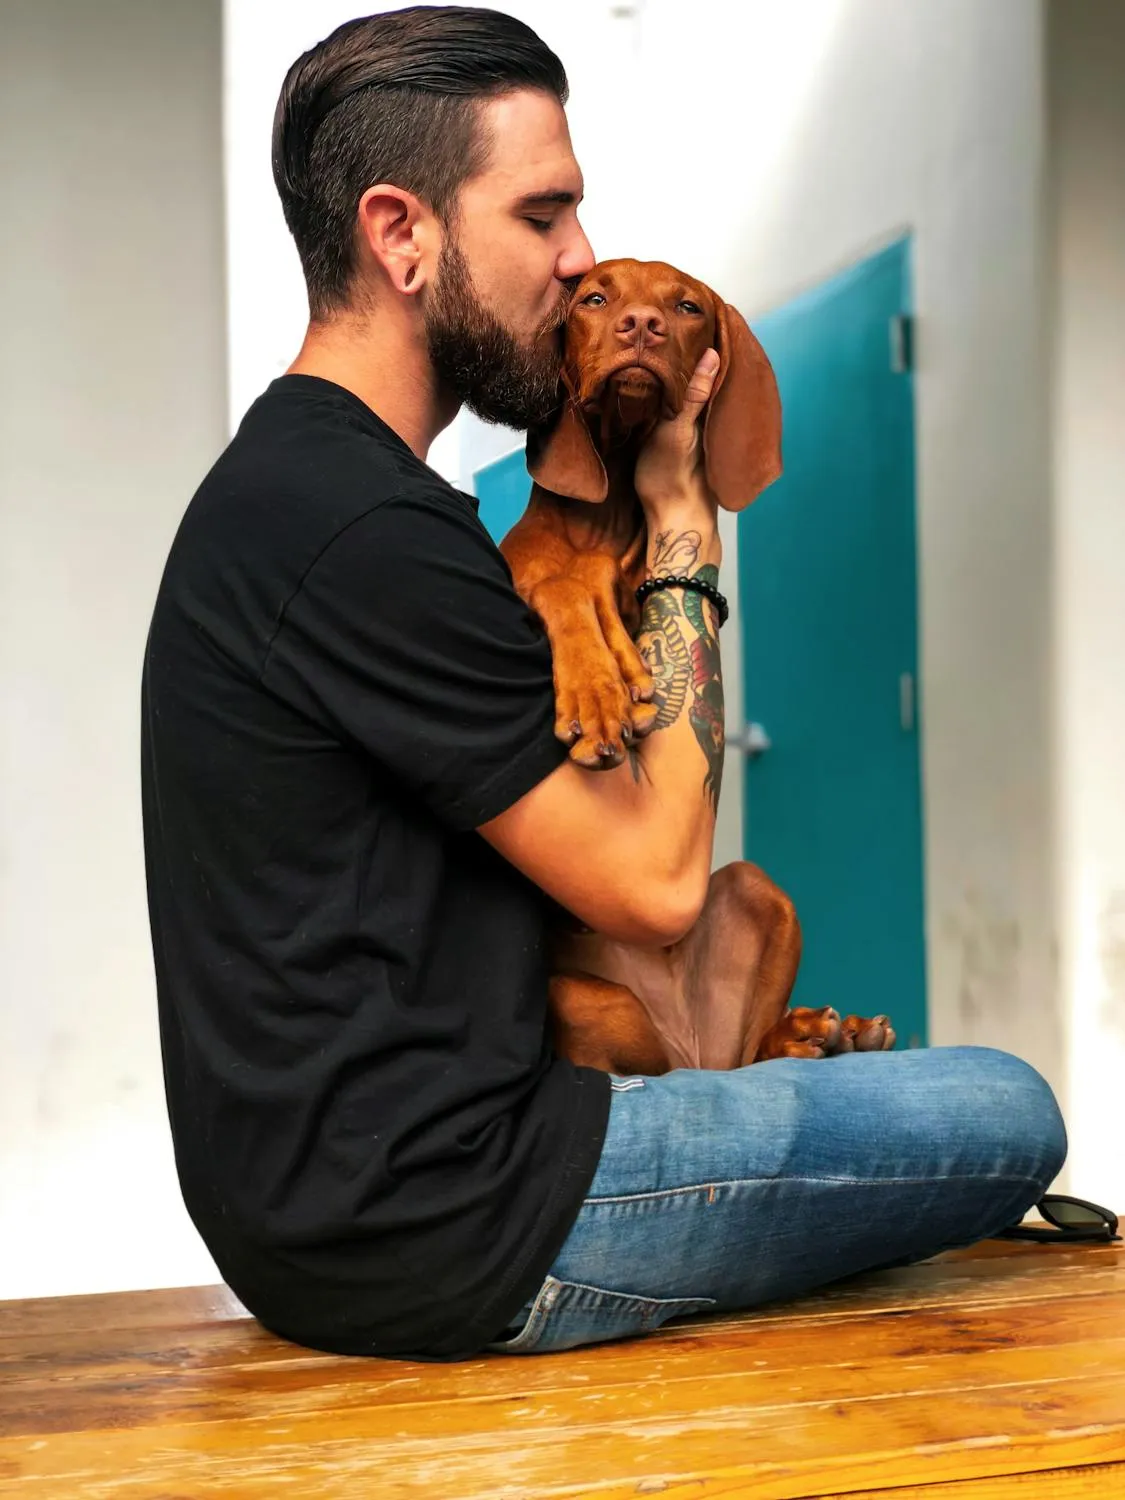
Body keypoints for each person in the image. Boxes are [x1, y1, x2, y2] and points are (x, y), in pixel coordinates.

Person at [141, 6, 1066, 1362]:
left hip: (362, 1203)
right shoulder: (360, 529)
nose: (579, 260)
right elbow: (654, 885)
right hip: (461, 1214)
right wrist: (684, 520)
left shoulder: (316, 492)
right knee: (1004, 1107)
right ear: (402, 237)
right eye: (543, 214)